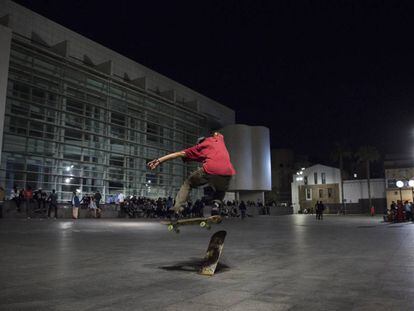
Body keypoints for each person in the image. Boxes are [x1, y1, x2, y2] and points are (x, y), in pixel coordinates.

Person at [147, 131, 236, 215]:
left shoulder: (198, 147)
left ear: (198, 143)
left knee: (188, 183)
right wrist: (214, 135)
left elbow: (178, 154)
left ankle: (177, 207)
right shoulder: (218, 139)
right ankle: (216, 206)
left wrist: (159, 160)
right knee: (221, 190)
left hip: (210, 169)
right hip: (228, 171)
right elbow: (217, 133)